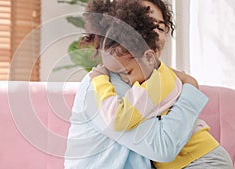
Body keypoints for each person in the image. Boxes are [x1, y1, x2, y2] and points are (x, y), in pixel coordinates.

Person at [87, 0, 233, 169]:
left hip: (202, 161)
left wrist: (100, 81)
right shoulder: (158, 73)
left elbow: (118, 119)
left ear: (148, 57)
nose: (126, 80)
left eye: (127, 72)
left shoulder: (154, 84)